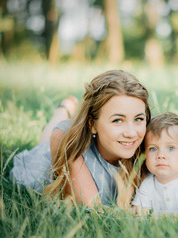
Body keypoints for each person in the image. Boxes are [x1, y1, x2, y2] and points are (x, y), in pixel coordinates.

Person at [11, 70, 151, 208]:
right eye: (117, 121)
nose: (132, 133)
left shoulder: (154, 143)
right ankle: (63, 109)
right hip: (45, 159)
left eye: (138, 119)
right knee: (49, 139)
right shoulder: (67, 140)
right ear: (92, 124)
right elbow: (95, 210)